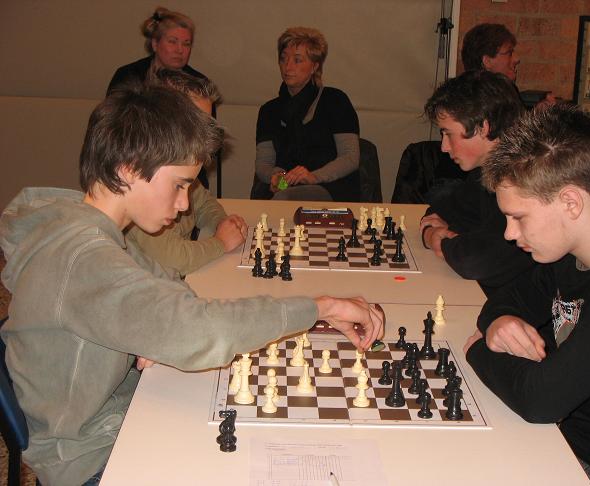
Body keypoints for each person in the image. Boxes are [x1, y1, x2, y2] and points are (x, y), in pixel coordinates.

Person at [0, 85, 384, 486]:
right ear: (129, 169)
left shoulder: (92, 228)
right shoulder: (85, 258)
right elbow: (202, 330)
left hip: (120, 414)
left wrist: (155, 329)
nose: (185, 204)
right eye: (179, 184)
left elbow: (168, 286)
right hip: (92, 458)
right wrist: (323, 307)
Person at [464, 105, 590, 486]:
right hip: (561, 442)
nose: (509, 234)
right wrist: (499, 322)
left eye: (518, 217)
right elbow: (502, 302)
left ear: (570, 202)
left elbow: (540, 400)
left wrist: (477, 349)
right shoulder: (571, 254)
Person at [418, 70, 535, 297]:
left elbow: (474, 260)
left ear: (483, 127)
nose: (443, 147)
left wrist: (439, 240)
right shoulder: (485, 173)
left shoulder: (524, 182)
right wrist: (433, 233)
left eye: (448, 134)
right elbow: (440, 212)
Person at [125, 69, 245, 275]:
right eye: (196, 122)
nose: (205, 134)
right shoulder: (147, 180)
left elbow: (204, 203)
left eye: (208, 123)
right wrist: (220, 243)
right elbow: (171, 259)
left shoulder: (182, 167)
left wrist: (222, 224)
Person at [106, 7, 218, 189]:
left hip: (186, 169)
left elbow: (207, 140)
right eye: (173, 42)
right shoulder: (128, 76)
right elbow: (113, 131)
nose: (180, 50)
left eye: (187, 44)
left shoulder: (200, 84)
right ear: (155, 44)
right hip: (133, 165)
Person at [252, 27, 361, 202]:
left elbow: (350, 158)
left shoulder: (336, 100)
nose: (288, 66)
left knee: (284, 198)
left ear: (314, 66)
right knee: (277, 196)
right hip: (285, 187)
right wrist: (277, 177)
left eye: (297, 60)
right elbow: (264, 163)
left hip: (330, 187)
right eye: (283, 59)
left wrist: (313, 177)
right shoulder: (268, 111)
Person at [461, 23, 555, 109]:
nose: (517, 59)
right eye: (509, 53)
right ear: (487, 61)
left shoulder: (506, 91)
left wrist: (538, 113)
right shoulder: (478, 102)